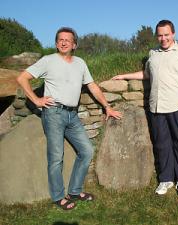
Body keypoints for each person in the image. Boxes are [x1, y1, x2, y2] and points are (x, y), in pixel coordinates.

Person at [16, 27, 122, 210]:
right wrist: (36, 100)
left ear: (74, 45)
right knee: (56, 157)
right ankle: (58, 196)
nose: (64, 42)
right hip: (53, 113)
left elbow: (92, 86)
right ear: (56, 43)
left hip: (73, 115)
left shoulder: (80, 63)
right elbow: (22, 78)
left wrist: (107, 106)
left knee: (87, 150)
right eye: (60, 40)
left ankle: (75, 191)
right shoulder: (47, 61)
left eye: (68, 40)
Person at [112, 20, 178, 196]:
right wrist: (123, 76)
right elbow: (147, 74)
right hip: (157, 107)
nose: (163, 38)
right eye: (160, 35)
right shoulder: (153, 53)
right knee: (161, 144)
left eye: (166, 34)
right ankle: (166, 180)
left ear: (173, 34)